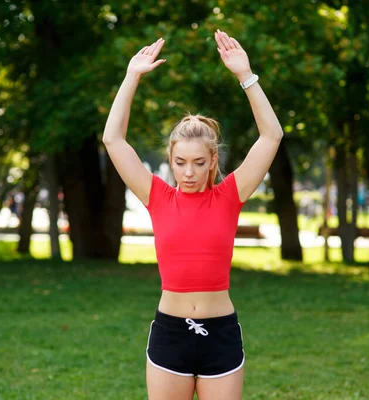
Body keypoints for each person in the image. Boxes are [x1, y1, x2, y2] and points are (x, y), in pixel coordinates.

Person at [102, 30, 283, 399]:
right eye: (180, 162)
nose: (188, 172)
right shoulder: (157, 196)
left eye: (199, 163)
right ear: (170, 160)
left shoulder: (230, 194)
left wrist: (245, 77)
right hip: (170, 334)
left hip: (221, 336)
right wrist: (131, 76)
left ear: (213, 161)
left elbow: (272, 136)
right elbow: (113, 140)